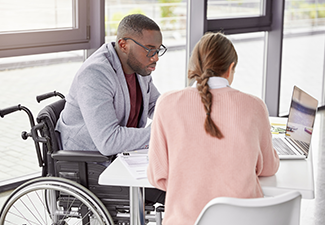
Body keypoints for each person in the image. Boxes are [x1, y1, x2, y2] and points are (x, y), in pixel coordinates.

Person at [147, 32, 280, 224]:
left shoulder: (166, 103)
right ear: (230, 68)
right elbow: (268, 168)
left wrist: (190, 182)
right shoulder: (255, 105)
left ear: (194, 66)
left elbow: (157, 176)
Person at [56, 14, 165, 204]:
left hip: (123, 157)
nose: (155, 57)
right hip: (92, 165)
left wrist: (178, 117)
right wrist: (161, 133)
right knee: (171, 188)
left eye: (158, 50)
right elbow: (109, 141)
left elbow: (155, 105)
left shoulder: (140, 67)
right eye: (149, 50)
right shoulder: (95, 74)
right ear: (123, 45)